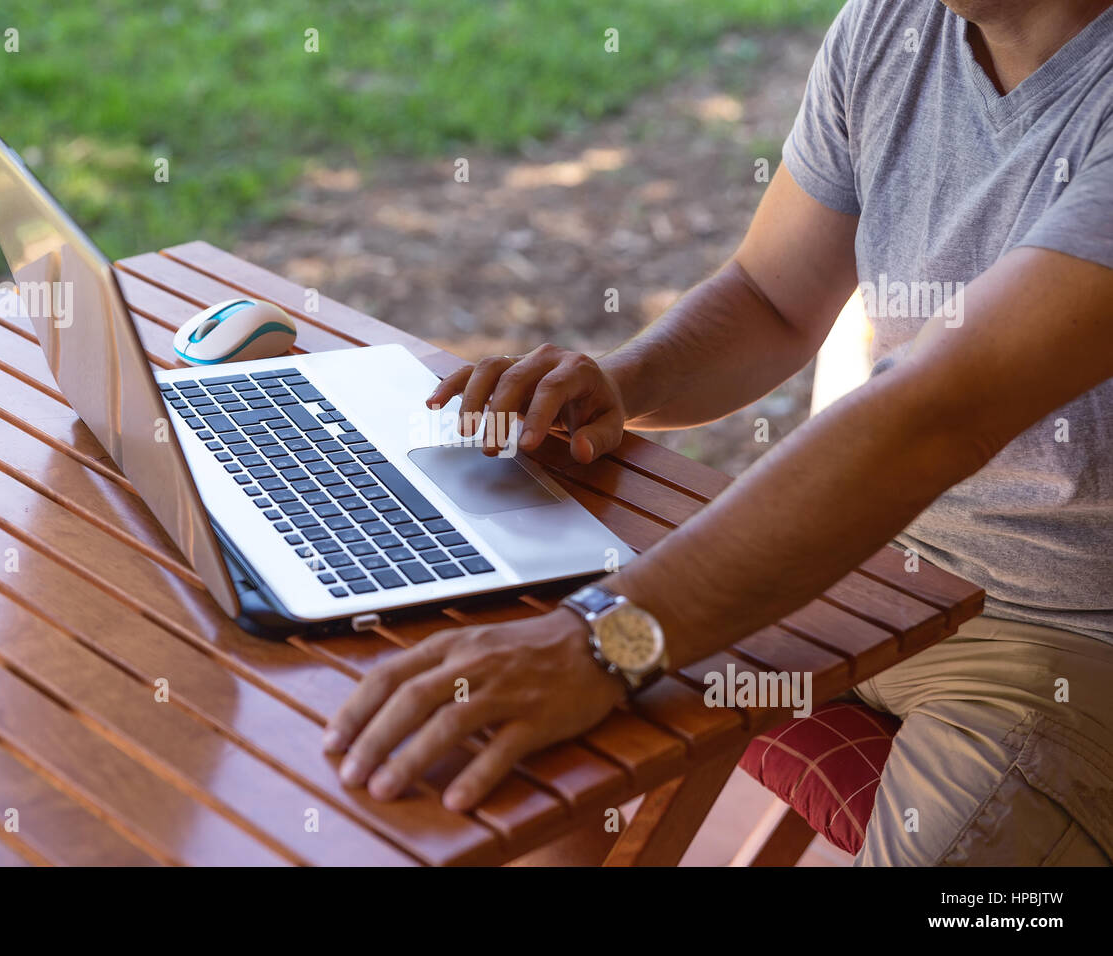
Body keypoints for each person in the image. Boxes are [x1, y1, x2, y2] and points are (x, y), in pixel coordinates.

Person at [322, 0, 1113, 865]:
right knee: (515, 751)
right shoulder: (893, 24)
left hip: (1060, 632)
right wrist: (621, 385)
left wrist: (602, 644)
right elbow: (771, 300)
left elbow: (938, 416)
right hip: (854, 566)